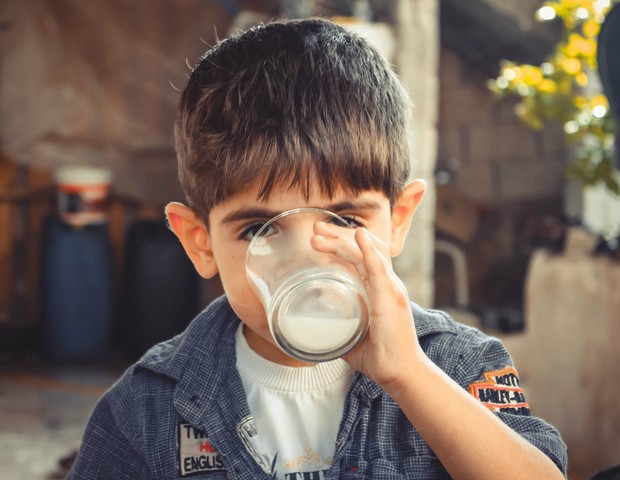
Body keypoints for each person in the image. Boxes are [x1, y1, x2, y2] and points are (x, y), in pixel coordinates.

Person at [67, 18, 567, 479]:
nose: (307, 256)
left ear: (397, 221)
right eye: (259, 228)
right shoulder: (147, 407)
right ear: (201, 244)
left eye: (344, 220)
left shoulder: (459, 367)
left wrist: (410, 375)